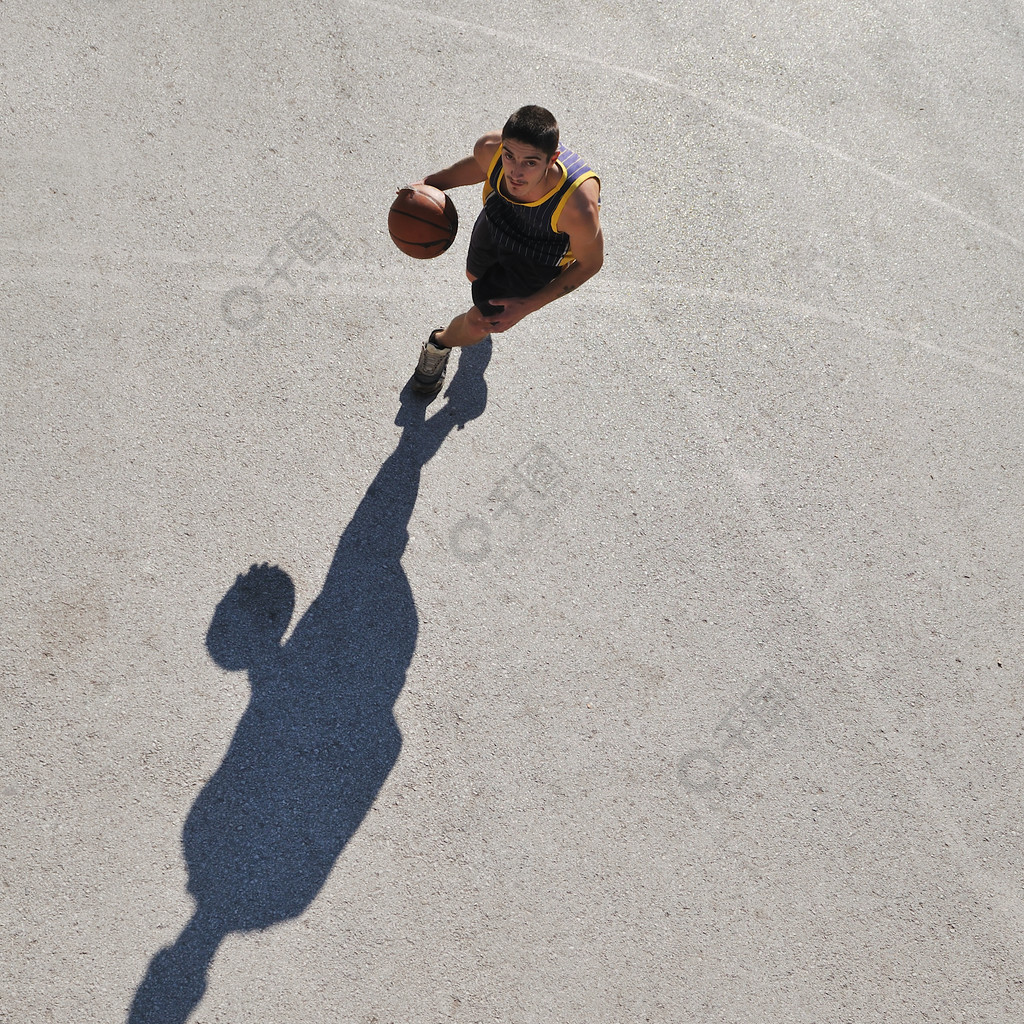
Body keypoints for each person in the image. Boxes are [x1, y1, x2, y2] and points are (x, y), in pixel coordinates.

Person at [408, 105, 603, 395]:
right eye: (510, 156)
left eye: (530, 163)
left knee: (482, 321)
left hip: (540, 254)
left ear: (552, 160)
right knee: (474, 276)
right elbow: (477, 167)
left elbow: (591, 263)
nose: (515, 171)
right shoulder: (491, 148)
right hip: (499, 218)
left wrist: (528, 305)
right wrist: (428, 186)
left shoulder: (577, 208)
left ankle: (440, 342)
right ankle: (478, 302)